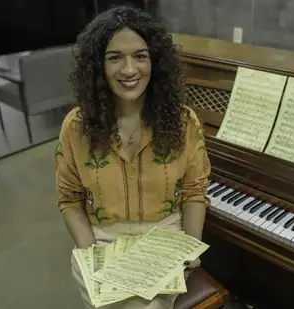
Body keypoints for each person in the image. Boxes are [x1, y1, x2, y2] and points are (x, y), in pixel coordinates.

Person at [54, 6, 211, 309]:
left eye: (140, 56)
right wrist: (91, 259)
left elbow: (194, 192)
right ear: (98, 66)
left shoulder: (184, 122)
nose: (129, 70)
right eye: (115, 57)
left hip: (163, 238)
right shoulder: (75, 127)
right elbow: (69, 199)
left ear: (156, 62)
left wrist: (191, 249)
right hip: (101, 240)